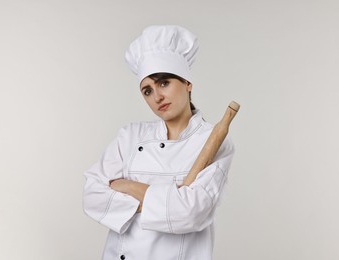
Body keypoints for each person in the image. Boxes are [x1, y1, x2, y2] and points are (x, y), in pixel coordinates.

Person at [83, 25, 235, 260]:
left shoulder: (213, 141)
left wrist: (131, 188)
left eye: (164, 82)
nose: (157, 97)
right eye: (147, 90)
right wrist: (170, 201)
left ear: (187, 83)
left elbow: (192, 213)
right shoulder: (130, 136)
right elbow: (92, 195)